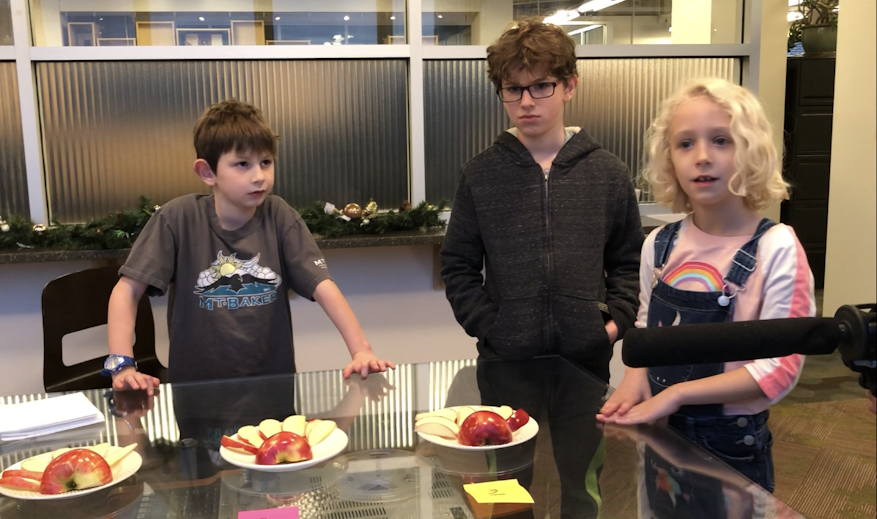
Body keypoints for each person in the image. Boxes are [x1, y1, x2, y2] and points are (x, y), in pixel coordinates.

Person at [598, 78, 816, 492]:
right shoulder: (658, 246)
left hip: (731, 441)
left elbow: (780, 368)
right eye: (685, 144)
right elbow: (646, 334)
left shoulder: (777, 247)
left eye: (721, 140)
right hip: (659, 430)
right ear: (668, 159)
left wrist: (677, 394)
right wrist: (634, 380)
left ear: (751, 150)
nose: (702, 157)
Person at [105, 99, 394, 393]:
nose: (259, 176)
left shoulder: (280, 216)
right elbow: (126, 291)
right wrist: (122, 364)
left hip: (273, 391)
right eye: (242, 164)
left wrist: (361, 350)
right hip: (197, 394)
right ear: (207, 172)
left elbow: (323, 286)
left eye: (266, 162)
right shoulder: (176, 218)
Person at [439, 19, 643, 383]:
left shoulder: (608, 172)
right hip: (503, 361)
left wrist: (611, 326)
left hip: (586, 363)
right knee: (506, 442)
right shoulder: (480, 174)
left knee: (582, 443)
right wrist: (490, 327)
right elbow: (458, 265)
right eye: (513, 89)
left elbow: (629, 263)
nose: (527, 102)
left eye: (541, 86)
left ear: (569, 86)